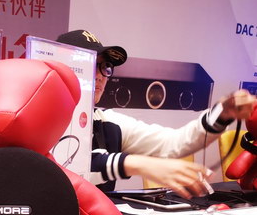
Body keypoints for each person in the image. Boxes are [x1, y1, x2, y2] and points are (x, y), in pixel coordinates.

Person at [55, 30, 256, 199]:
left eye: (105, 66)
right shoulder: (43, 119)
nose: (100, 75)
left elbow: (174, 143)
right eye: (90, 64)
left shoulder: (109, 121)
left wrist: (222, 113)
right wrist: (138, 164)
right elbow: (71, 167)